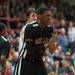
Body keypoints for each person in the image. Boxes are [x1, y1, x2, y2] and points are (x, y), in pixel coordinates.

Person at [14, 7, 54, 75]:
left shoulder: (48, 29)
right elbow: (30, 49)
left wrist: (52, 43)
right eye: (33, 15)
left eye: (35, 15)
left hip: (38, 59)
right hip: (26, 59)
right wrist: (47, 45)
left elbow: (50, 50)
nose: (35, 17)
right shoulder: (27, 28)